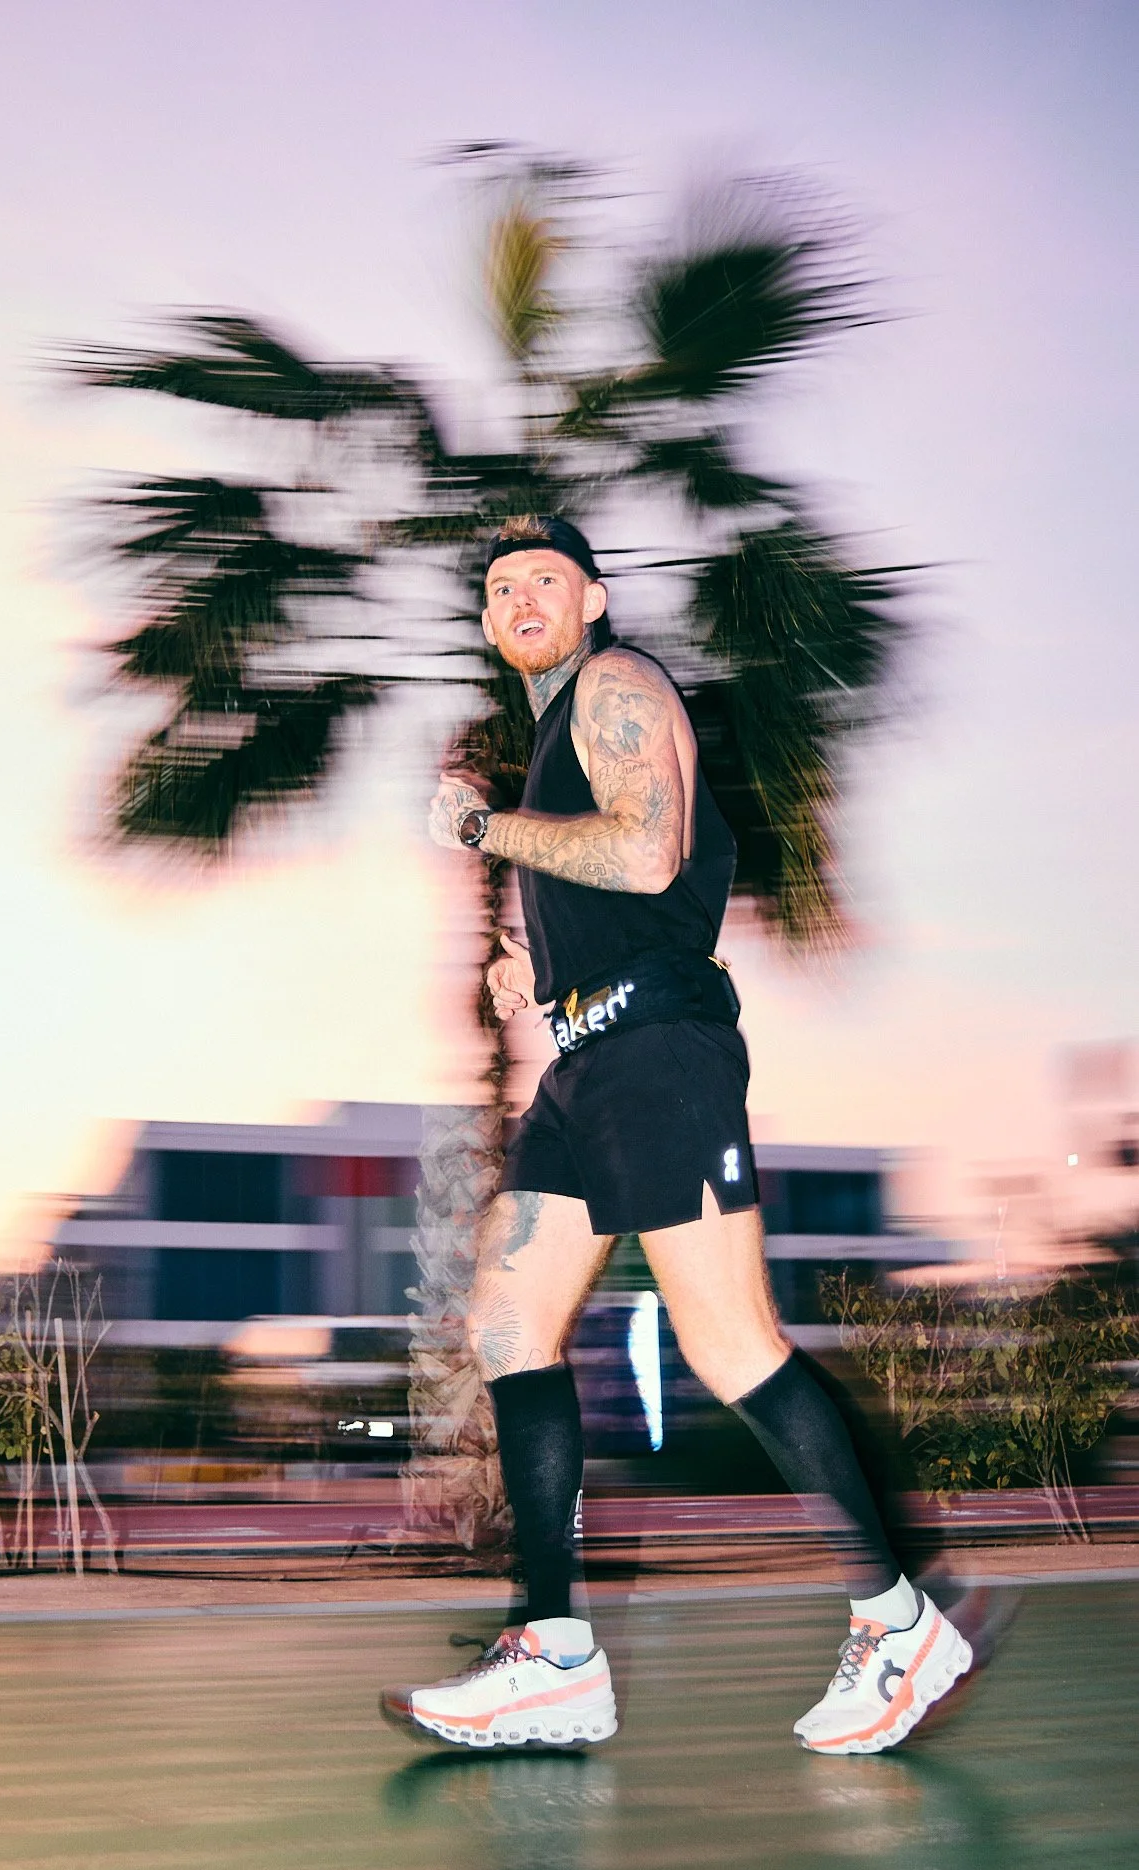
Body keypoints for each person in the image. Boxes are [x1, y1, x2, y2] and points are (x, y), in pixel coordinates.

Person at [380, 513, 973, 1756]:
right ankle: (554, 1655)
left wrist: (486, 831)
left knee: (731, 1343)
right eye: (499, 585)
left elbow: (649, 855)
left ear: (593, 598)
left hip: (663, 1056)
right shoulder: (555, 734)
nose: (519, 595)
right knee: (505, 1323)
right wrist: (526, 963)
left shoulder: (616, 683)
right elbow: (614, 884)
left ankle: (901, 1617)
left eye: (544, 576)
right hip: (585, 1063)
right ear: (488, 621)